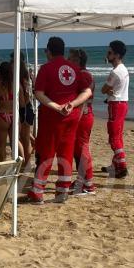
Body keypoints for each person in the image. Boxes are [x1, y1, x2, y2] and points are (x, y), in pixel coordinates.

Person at [28, 37, 92, 204]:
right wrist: (72, 104)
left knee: (47, 153)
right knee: (66, 153)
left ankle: (37, 193)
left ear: (49, 51)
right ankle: (62, 191)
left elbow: (39, 93)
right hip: (71, 117)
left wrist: (56, 106)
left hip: (52, 118)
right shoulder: (74, 68)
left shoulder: (46, 68)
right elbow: (87, 92)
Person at [101, 40, 130, 178]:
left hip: (116, 105)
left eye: (110, 52)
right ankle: (115, 164)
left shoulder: (115, 72)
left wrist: (108, 90)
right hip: (123, 103)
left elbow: (103, 89)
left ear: (116, 55)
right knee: (118, 135)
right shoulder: (124, 69)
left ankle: (122, 165)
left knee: (113, 137)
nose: (107, 54)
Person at [69, 48, 95, 195]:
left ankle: (89, 184)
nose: (68, 61)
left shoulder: (83, 75)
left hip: (82, 116)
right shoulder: (84, 74)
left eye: (70, 59)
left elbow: (83, 99)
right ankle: (81, 179)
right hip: (82, 115)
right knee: (78, 149)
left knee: (82, 149)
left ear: (77, 60)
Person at [0, 61, 18, 161]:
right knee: (14, 145)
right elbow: (22, 103)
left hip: (2, 115)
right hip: (14, 115)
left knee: (1, 145)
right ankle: (15, 165)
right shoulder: (16, 85)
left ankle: (2, 168)